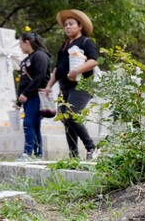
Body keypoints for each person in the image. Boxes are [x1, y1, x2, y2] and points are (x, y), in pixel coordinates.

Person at [45, 9, 98, 159]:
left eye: (71, 24)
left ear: (79, 26)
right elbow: (58, 68)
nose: (67, 27)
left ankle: (91, 147)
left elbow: (93, 61)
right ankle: (73, 155)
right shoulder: (64, 45)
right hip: (64, 86)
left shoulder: (85, 42)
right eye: (66, 25)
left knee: (72, 114)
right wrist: (49, 85)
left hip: (82, 85)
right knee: (65, 119)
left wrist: (77, 70)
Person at [16, 31, 51, 161]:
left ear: (27, 42)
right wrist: (18, 101)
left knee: (28, 122)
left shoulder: (40, 56)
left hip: (37, 96)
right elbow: (23, 81)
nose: (20, 47)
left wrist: (26, 93)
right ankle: (37, 154)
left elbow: (39, 78)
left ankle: (27, 152)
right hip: (27, 97)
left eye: (20, 43)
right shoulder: (25, 60)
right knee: (34, 125)